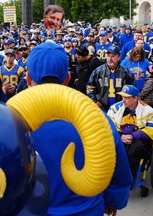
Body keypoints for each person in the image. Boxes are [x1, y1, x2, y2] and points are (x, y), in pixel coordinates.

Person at [26, 41, 132, 215]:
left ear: (28, 79)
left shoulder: (9, 119)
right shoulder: (95, 117)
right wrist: (113, 200)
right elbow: (117, 173)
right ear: (68, 78)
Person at [107, 85, 153, 178]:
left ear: (135, 98)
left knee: (135, 148)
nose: (123, 100)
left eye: (127, 97)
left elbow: (152, 130)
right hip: (120, 137)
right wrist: (120, 136)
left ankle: (130, 175)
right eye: (122, 97)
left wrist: (133, 136)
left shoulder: (148, 110)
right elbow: (107, 128)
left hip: (139, 140)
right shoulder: (114, 108)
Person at [87, 44, 134, 112]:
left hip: (121, 108)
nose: (110, 58)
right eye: (108, 56)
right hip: (102, 108)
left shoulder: (126, 73)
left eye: (113, 56)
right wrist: (94, 101)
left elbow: (132, 89)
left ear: (119, 57)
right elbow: (90, 87)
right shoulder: (98, 72)